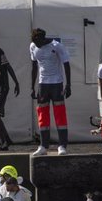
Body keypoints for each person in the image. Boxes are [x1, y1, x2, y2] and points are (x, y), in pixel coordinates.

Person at [30, 28, 71, 156]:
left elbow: (66, 64)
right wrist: (32, 86)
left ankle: (62, 145)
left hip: (56, 83)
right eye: (34, 41)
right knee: (42, 114)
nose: (36, 44)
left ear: (43, 38)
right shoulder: (32, 46)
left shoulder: (57, 46)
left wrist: (68, 85)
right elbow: (34, 66)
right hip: (42, 85)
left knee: (59, 114)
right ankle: (43, 146)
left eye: (38, 41)